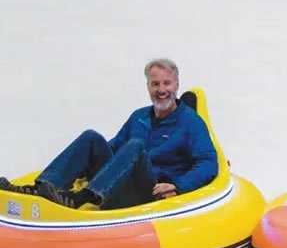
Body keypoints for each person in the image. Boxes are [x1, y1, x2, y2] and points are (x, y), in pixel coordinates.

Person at [0, 59, 218, 209]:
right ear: (148, 86)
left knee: (134, 146)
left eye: (166, 83)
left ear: (177, 84)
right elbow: (113, 149)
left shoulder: (191, 122)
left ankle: (79, 199)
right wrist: (85, 166)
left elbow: (209, 163)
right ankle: (41, 189)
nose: (161, 90)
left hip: (148, 190)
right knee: (92, 137)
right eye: (155, 84)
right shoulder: (139, 116)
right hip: (119, 184)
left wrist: (178, 186)